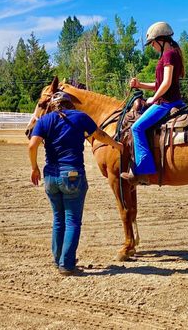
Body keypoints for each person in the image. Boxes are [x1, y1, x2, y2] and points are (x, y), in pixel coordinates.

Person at [28, 91, 123, 276]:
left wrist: (34, 168)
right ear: (70, 104)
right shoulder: (80, 117)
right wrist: (117, 145)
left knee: (58, 219)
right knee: (72, 220)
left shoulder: (45, 120)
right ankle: (67, 264)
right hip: (72, 173)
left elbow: (32, 145)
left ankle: (58, 260)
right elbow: (100, 135)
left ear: (54, 105)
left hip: (50, 176)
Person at [121, 21, 185, 185]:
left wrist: (154, 99)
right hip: (171, 100)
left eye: (152, 43)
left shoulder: (168, 55)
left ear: (160, 40)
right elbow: (159, 83)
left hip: (166, 103)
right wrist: (140, 85)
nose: (152, 47)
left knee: (137, 127)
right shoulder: (172, 53)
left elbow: (167, 83)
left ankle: (143, 171)